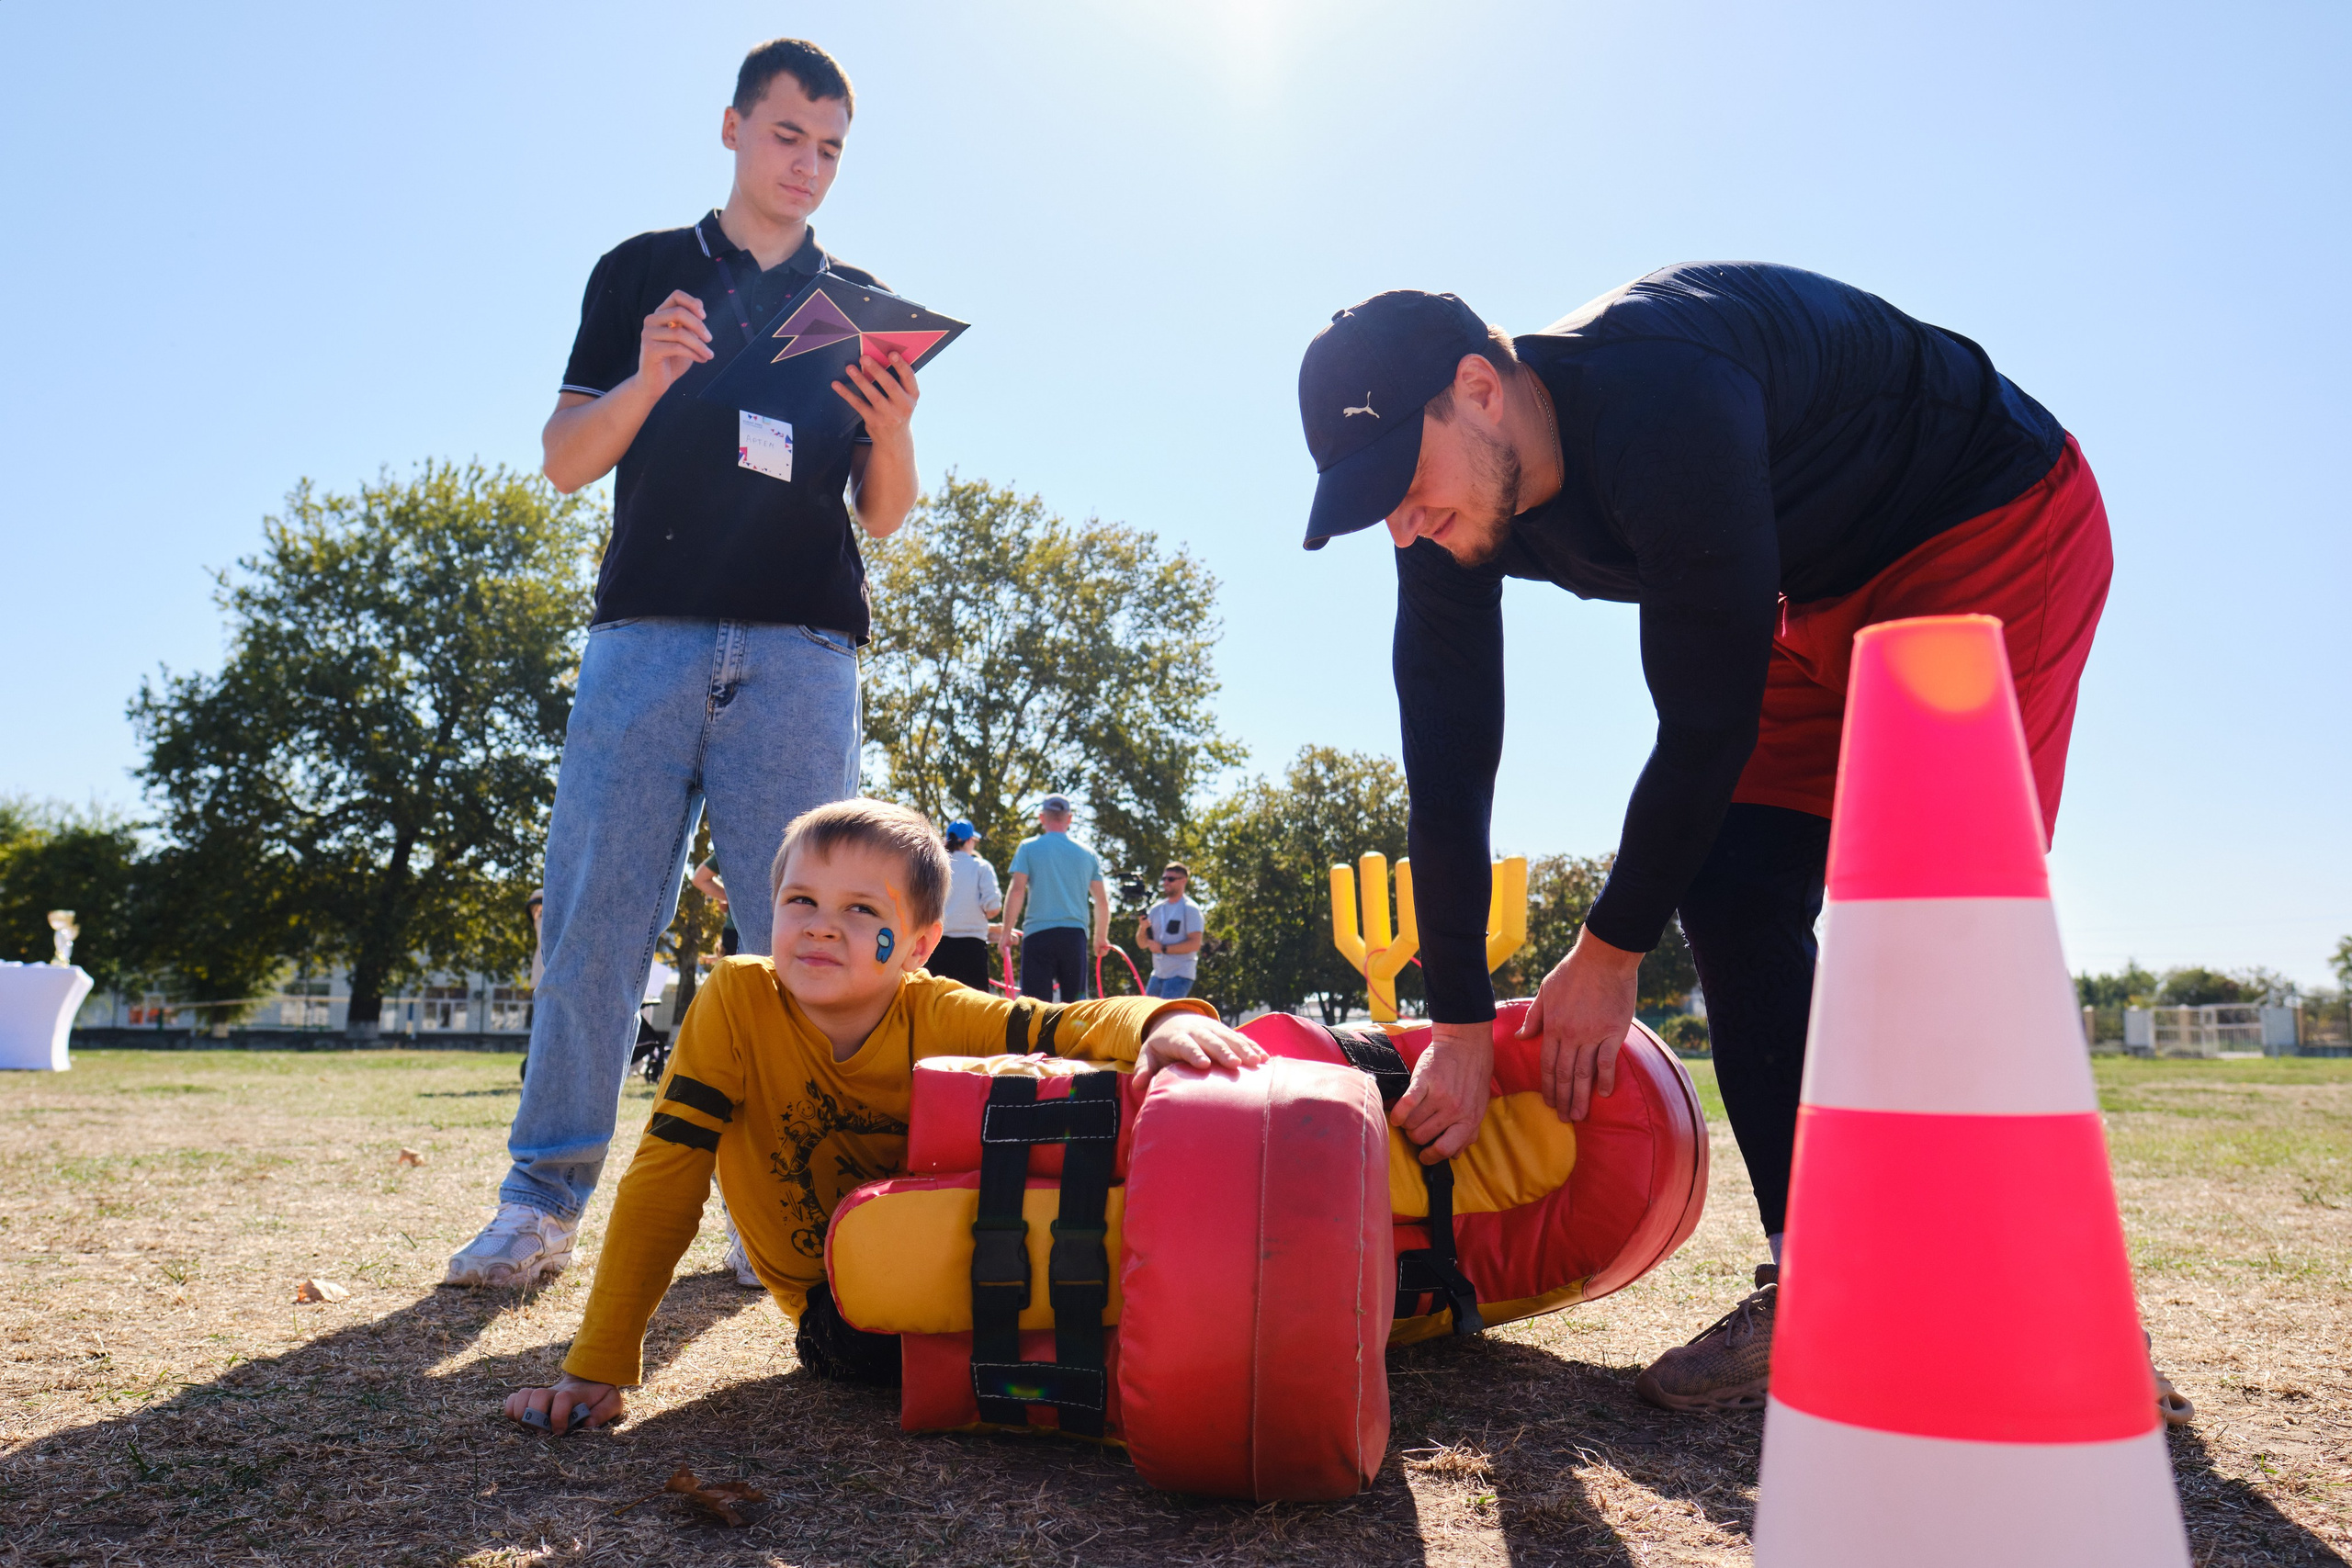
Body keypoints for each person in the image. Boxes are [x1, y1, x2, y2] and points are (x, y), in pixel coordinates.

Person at [1294, 266, 2112, 1413]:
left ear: (1477, 388)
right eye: (1370, 501)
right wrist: (1466, 1024)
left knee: (1937, 908)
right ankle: (1818, 1283)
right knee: (1729, 881)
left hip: (1977, 511)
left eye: (1402, 480)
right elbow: (1446, 762)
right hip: (1805, 586)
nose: (1403, 520)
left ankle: (2042, 1304)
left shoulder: (1658, 394)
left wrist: (1611, 949)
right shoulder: (1450, 515)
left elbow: (1705, 718)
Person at [446, 38, 925, 1291]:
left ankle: (781, 1200)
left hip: (804, 644)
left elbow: (883, 514)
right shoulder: (644, 272)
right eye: (787, 136)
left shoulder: (860, 302)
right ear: (730, 128)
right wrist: (652, 376)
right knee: (599, 918)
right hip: (645, 635)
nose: (809, 165)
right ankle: (539, 1202)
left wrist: (895, 434)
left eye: (830, 148)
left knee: (803, 935)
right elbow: (563, 458)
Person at [498, 799, 1264, 1432]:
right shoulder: (735, 1000)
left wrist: (1161, 1022)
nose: (822, 924)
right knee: (916, 1320)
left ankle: (1213, 1315)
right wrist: (596, 1363)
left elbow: (1060, 1022)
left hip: (973, 1258)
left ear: (920, 944)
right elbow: (665, 1179)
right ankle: (1141, 1354)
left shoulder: (935, 1007)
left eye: (862, 909)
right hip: (846, 1312)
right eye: (801, 900)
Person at [1000, 795, 1110, 1003]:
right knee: (1075, 1008)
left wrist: (1006, 932)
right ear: (1069, 819)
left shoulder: (1028, 848)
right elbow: (1102, 901)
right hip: (1074, 938)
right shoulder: (1088, 854)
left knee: (1035, 1008)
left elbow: (1016, 891)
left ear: (1042, 817)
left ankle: (1037, 1037)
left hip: (1038, 937)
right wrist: (1100, 938)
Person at [929, 820, 1001, 991]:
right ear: (969, 841)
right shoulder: (981, 867)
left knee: (936, 1008)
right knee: (974, 1009)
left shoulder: (935, 867)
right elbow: (993, 909)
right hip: (971, 950)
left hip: (936, 946)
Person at [1136, 863, 1205, 999]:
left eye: (1171, 879)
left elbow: (1195, 944)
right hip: (1158, 974)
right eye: (1164, 879)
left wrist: (1163, 948)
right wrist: (1142, 928)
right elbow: (1142, 944)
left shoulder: (1191, 909)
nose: (1166, 882)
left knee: (1163, 1017)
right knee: (1147, 1017)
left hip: (1180, 974)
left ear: (1183, 881)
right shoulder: (1156, 909)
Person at [689, 856, 741, 957]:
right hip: (775, 927)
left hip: (734, 933)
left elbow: (699, 879)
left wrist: (736, 899)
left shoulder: (730, 844)